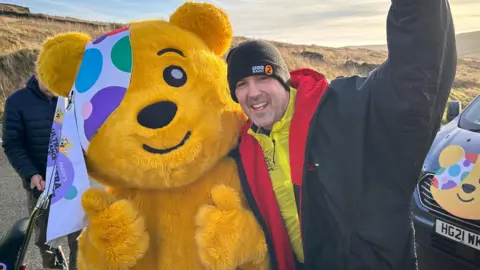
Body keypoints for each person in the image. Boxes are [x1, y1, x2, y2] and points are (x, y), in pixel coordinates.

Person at [226, 0, 457, 269]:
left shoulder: (343, 107)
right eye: (242, 84)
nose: (253, 93)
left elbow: (413, 73)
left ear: (283, 80)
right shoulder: (244, 145)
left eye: (263, 78)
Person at [2, 72, 81, 269]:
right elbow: (13, 144)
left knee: (80, 240)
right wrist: (31, 174)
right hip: (40, 184)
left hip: (74, 183)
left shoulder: (73, 97)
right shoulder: (16, 102)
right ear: (36, 73)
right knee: (44, 240)